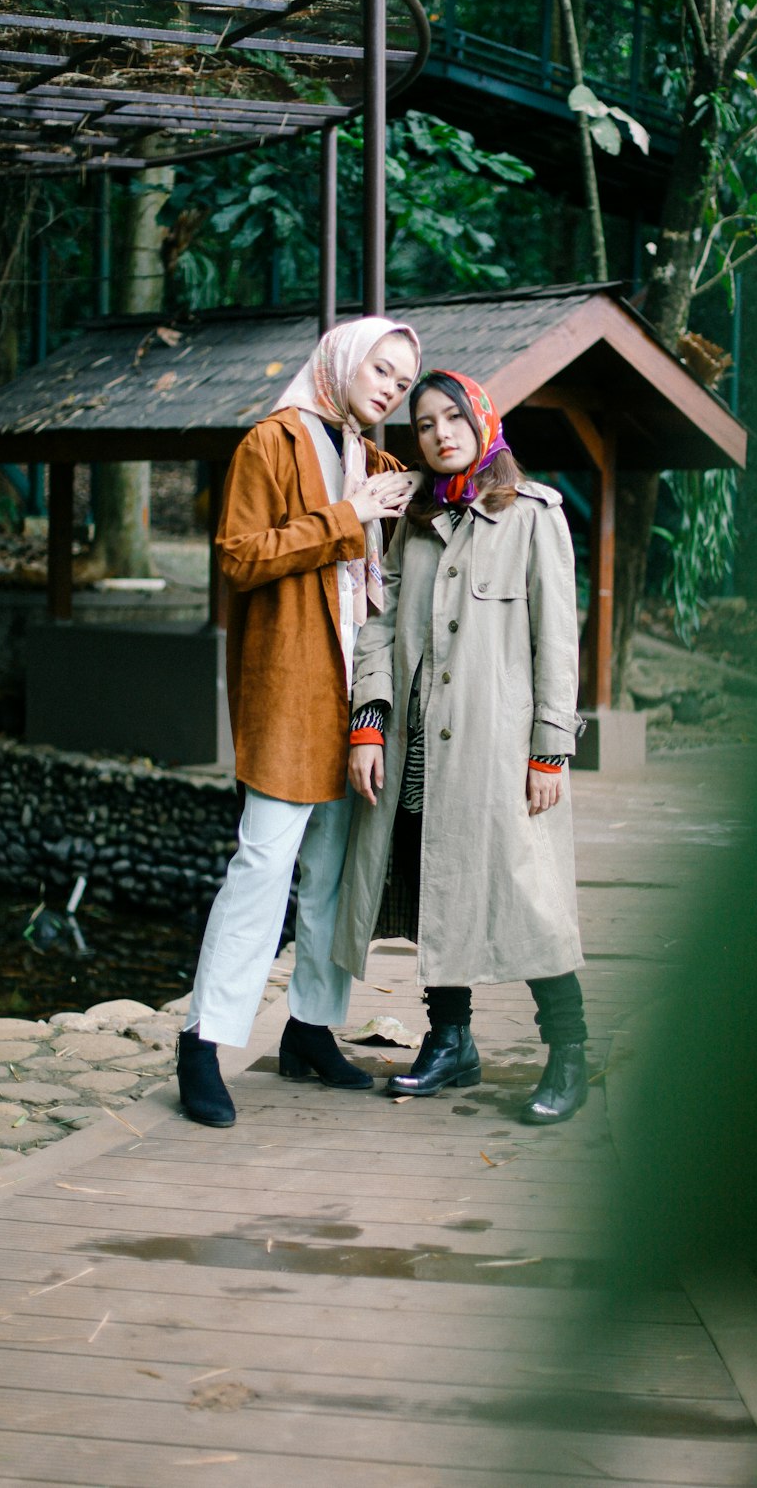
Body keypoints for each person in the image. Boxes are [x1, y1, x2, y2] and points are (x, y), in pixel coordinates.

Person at [176, 316, 421, 1128]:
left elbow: (439, 485)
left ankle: (310, 1028)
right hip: (290, 683)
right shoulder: (271, 443)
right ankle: (204, 1041)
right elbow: (240, 556)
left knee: (332, 872)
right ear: (344, 359)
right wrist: (350, 517)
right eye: (381, 369)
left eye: (402, 381)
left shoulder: (369, 453)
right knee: (263, 865)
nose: (390, 388)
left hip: (358, 690)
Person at [332, 370, 589, 1126]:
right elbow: (378, 625)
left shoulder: (535, 515)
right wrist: (368, 721)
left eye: (453, 418)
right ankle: (450, 1040)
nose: (441, 434)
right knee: (436, 888)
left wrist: (550, 749)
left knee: (532, 904)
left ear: (482, 421)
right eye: (425, 424)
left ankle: (568, 1051)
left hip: (500, 750)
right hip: (419, 747)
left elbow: (559, 642)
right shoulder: (410, 521)